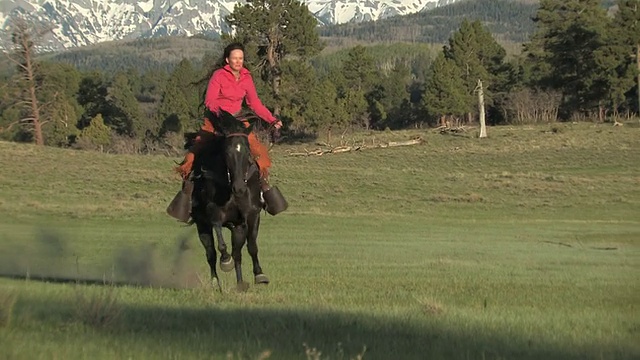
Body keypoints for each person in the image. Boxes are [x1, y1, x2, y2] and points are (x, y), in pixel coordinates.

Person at [167, 42, 286, 222]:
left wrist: (272, 120)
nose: (238, 61)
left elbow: (255, 104)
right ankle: (189, 197)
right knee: (195, 153)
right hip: (217, 121)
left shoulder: (246, 77)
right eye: (234, 58)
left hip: (238, 123)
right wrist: (223, 116)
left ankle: (263, 191)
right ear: (227, 60)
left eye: (241, 58)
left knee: (259, 153)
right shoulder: (219, 76)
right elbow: (210, 102)